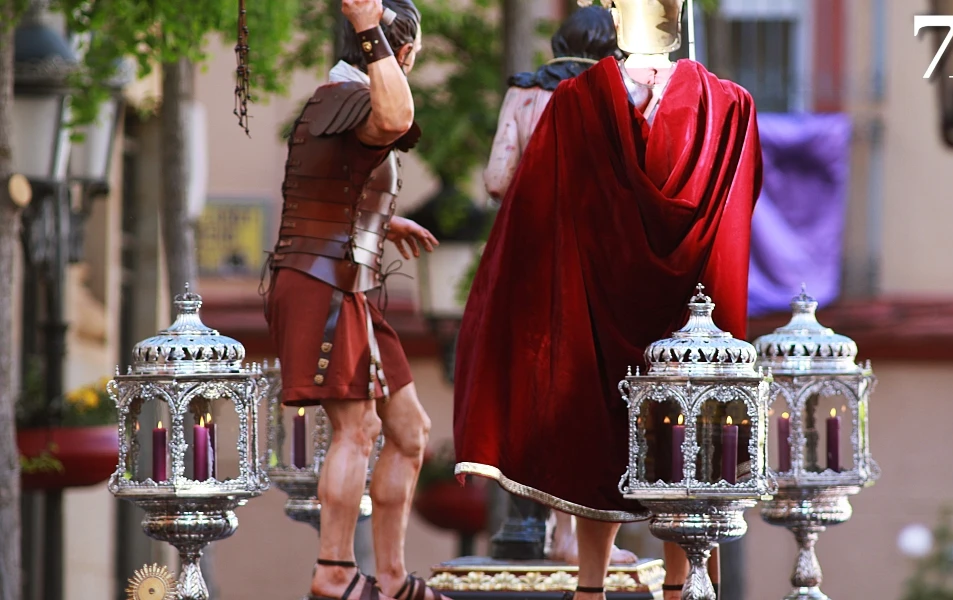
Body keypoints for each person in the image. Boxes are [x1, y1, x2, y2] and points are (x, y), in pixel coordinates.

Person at [454, 0, 761, 598]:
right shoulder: (728, 107)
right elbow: (741, 204)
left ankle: (593, 587)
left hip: (596, 306)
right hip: (691, 316)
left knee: (600, 437)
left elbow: (536, 208)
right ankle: (682, 583)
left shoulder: (575, 103)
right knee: (684, 434)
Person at [264, 1, 448, 599]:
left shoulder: (336, 100)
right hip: (325, 284)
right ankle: (334, 570)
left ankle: (392, 579)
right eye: (413, 52)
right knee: (358, 427)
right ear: (408, 51)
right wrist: (375, 32)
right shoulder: (350, 96)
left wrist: (381, 223)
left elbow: (329, 185)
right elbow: (396, 116)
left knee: (410, 429)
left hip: (348, 284)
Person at [482, 5, 636, 567]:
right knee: (587, 396)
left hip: (529, 261)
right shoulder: (613, 94)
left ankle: (526, 526)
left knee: (531, 391)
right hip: (593, 266)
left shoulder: (523, 92)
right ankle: (577, 540)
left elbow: (497, 178)